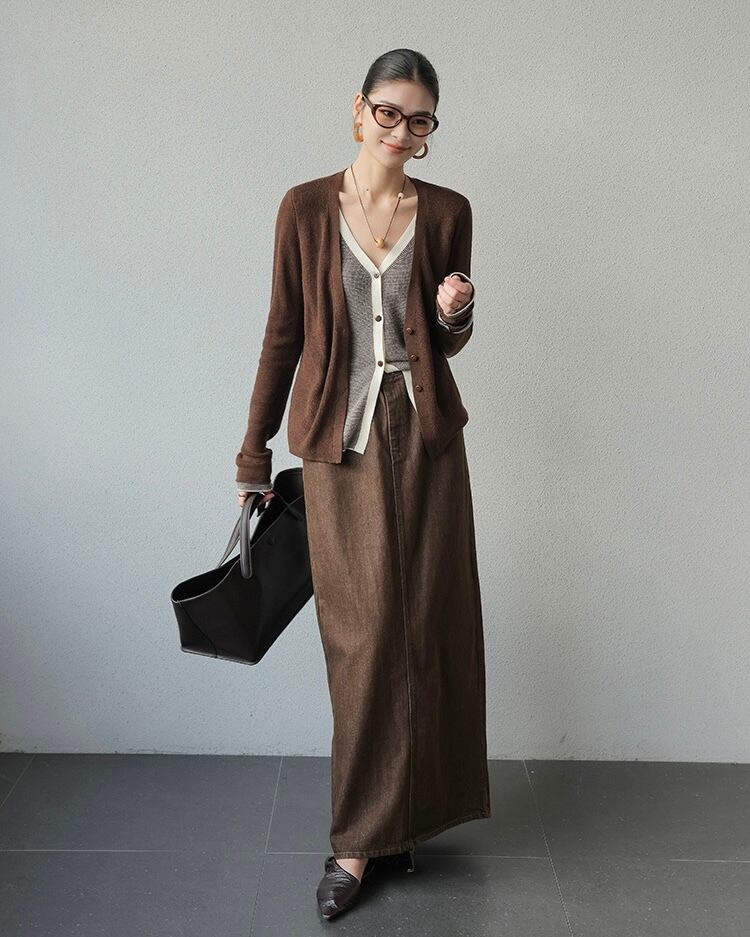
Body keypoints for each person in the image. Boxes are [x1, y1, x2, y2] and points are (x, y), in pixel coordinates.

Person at [235, 48, 490, 921]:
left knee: (430, 627)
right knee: (363, 639)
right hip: (337, 447)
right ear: (359, 109)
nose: (401, 131)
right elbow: (283, 333)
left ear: (429, 130)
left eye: (419, 120)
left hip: (427, 441)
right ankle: (356, 838)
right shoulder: (305, 208)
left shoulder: (448, 211)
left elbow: (446, 339)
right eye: (389, 112)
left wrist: (456, 311)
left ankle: (403, 820)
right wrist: (252, 455)